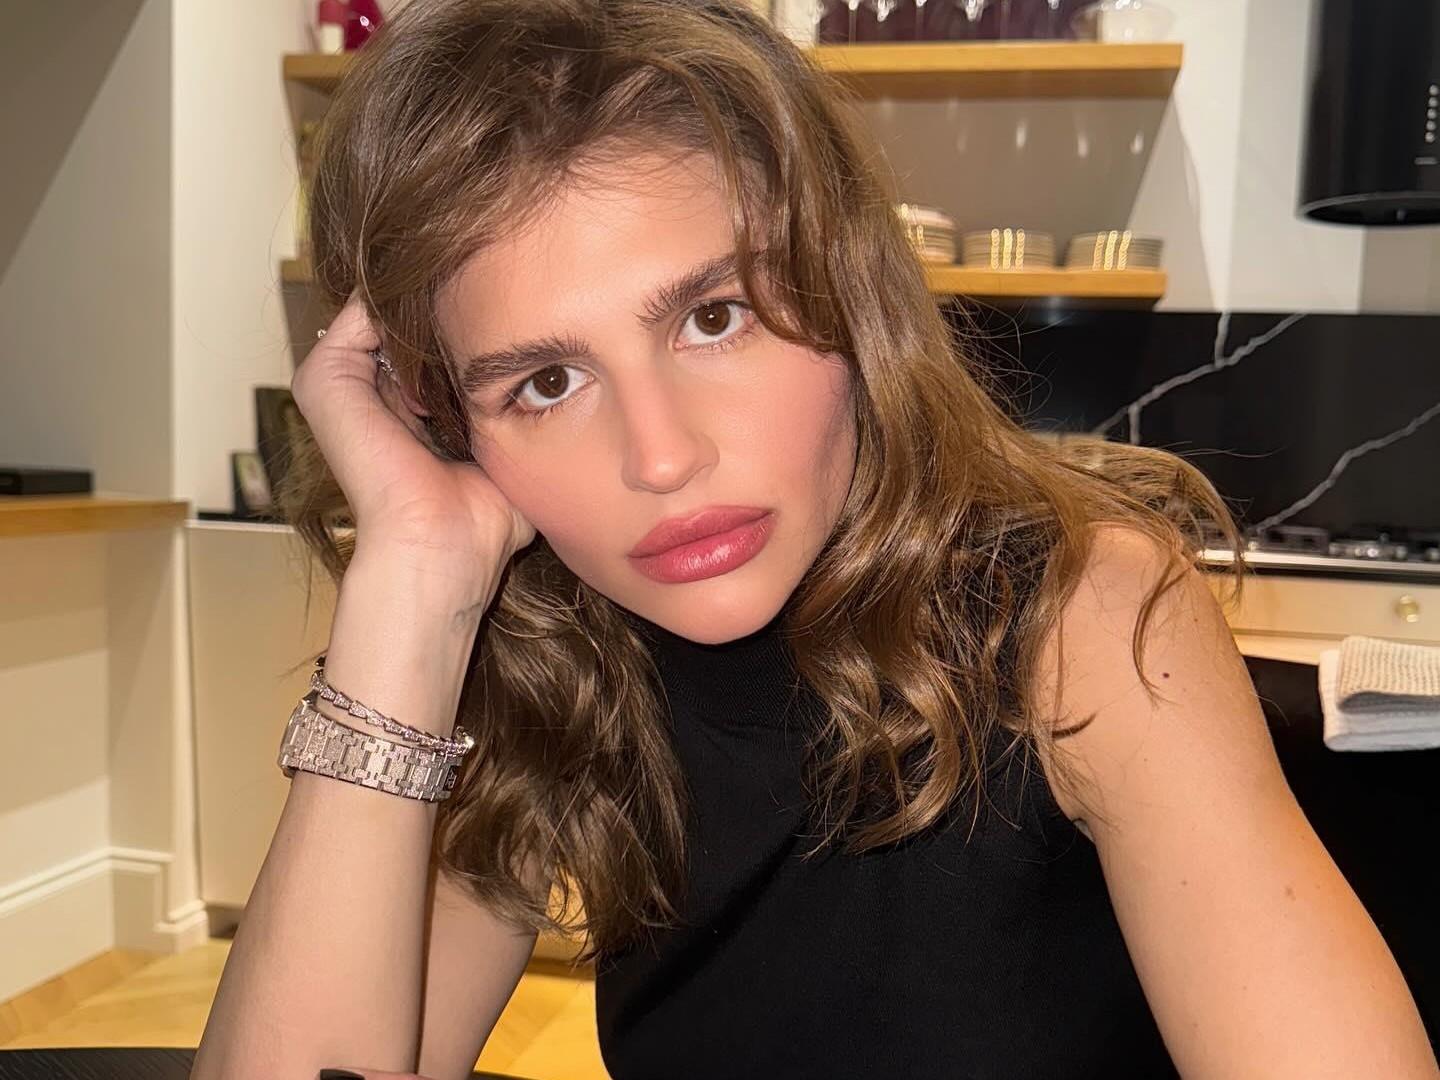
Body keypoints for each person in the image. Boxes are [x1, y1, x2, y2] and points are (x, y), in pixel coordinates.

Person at [193, 1, 1440, 1078]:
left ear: (850, 300)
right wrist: (412, 590)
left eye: (715, 316)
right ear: (454, 427)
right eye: (546, 383)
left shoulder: (1080, 617)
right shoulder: (559, 661)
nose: (661, 458)